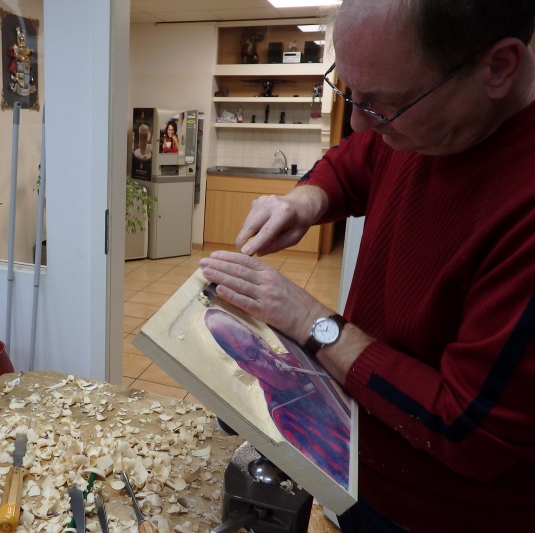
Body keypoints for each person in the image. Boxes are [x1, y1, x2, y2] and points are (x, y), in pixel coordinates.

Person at [198, 1, 535, 531]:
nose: (358, 121)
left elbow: (466, 428)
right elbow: (357, 160)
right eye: (349, 92)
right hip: (358, 468)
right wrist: (303, 201)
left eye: (385, 104)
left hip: (437, 515)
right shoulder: (425, 124)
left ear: (498, 68)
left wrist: (310, 320)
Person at [204, 308, 351, 488]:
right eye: (252, 353)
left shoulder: (297, 360)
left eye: (258, 342)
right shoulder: (283, 416)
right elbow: (338, 469)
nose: (268, 355)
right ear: (246, 366)